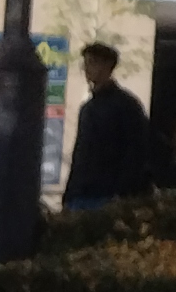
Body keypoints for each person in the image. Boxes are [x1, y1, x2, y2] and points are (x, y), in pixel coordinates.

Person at [60, 42, 157, 209]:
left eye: (92, 62)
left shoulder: (125, 105)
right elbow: (80, 153)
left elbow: (136, 150)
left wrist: (122, 191)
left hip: (106, 193)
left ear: (107, 66)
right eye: (86, 63)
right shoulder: (90, 107)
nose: (87, 69)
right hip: (85, 192)